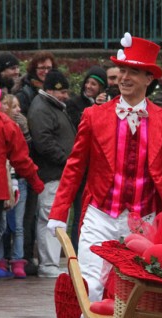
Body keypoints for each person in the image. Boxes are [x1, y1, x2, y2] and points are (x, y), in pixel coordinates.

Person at [47, 33, 162, 318]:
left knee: (139, 290)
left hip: (144, 220)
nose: (125, 77)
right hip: (101, 214)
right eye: (121, 69)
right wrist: (59, 211)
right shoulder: (94, 116)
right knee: (87, 285)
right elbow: (75, 167)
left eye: (134, 71)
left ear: (149, 78)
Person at [28, 69, 76, 278]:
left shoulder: (51, 106)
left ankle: (52, 263)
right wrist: (66, 161)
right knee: (49, 217)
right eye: (62, 91)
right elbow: (44, 142)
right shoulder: (42, 109)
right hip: (50, 173)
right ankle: (48, 264)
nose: (66, 96)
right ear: (51, 90)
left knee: (54, 216)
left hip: (57, 173)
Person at [0, 88, 44, 286]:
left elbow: (21, 159)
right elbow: (21, 159)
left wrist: (35, 182)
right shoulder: (6, 125)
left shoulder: (6, 125)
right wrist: (36, 182)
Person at [15, 51, 57, 276]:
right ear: (34, 69)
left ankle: (30, 256)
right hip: (29, 158)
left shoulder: (48, 94)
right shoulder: (26, 93)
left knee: (35, 211)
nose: (45, 71)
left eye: (48, 68)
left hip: (39, 163)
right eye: (41, 67)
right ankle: (25, 257)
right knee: (28, 214)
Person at [66, 66, 108, 253]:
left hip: (98, 168)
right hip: (82, 167)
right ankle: (77, 251)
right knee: (79, 213)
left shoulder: (108, 103)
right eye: (88, 83)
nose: (90, 87)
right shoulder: (75, 103)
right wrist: (95, 108)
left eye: (95, 84)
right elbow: (82, 125)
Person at [0, 94, 33, 278]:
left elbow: (25, 154)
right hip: (3, 181)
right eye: (12, 106)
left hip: (19, 181)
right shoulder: (0, 126)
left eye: (19, 106)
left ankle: (17, 260)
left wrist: (25, 130)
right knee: (1, 224)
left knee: (17, 225)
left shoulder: (18, 126)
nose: (17, 110)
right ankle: (0, 259)